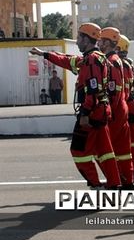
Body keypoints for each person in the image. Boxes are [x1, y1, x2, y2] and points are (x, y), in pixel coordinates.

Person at [29, 23, 121, 189]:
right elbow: (66, 60)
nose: (77, 41)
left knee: (78, 151)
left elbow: (93, 89)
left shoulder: (92, 60)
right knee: (104, 151)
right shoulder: (94, 58)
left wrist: (85, 113)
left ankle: (95, 186)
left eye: (79, 37)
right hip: (100, 111)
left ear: (86, 39)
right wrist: (45, 54)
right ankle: (114, 185)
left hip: (91, 112)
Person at [98, 27, 134, 190]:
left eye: (100, 41)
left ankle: (113, 180)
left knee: (102, 149)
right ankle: (128, 181)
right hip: (122, 108)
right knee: (123, 150)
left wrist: (108, 112)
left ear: (107, 42)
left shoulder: (110, 61)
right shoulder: (118, 60)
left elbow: (112, 90)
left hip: (115, 110)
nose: (98, 44)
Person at [117, 34, 134, 186]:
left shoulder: (118, 64)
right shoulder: (128, 63)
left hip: (126, 107)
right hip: (133, 106)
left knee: (125, 143)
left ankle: (128, 173)